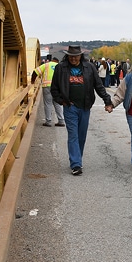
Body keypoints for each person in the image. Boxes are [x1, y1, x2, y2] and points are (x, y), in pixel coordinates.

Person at [51, 45, 113, 175]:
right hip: (70, 107)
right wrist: (61, 101)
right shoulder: (60, 68)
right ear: (68, 56)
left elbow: (98, 86)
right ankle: (76, 164)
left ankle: (77, 158)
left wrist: (107, 101)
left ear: (80, 56)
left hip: (85, 106)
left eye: (76, 56)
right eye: (71, 56)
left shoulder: (89, 68)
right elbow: (54, 88)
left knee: (81, 135)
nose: (73, 59)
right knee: (73, 135)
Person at [31, 56, 65, 127]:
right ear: (57, 61)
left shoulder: (46, 65)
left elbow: (35, 72)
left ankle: (48, 121)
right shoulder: (60, 66)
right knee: (58, 103)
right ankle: (61, 120)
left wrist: (32, 81)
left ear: (51, 60)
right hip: (57, 88)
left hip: (47, 86)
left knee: (48, 103)